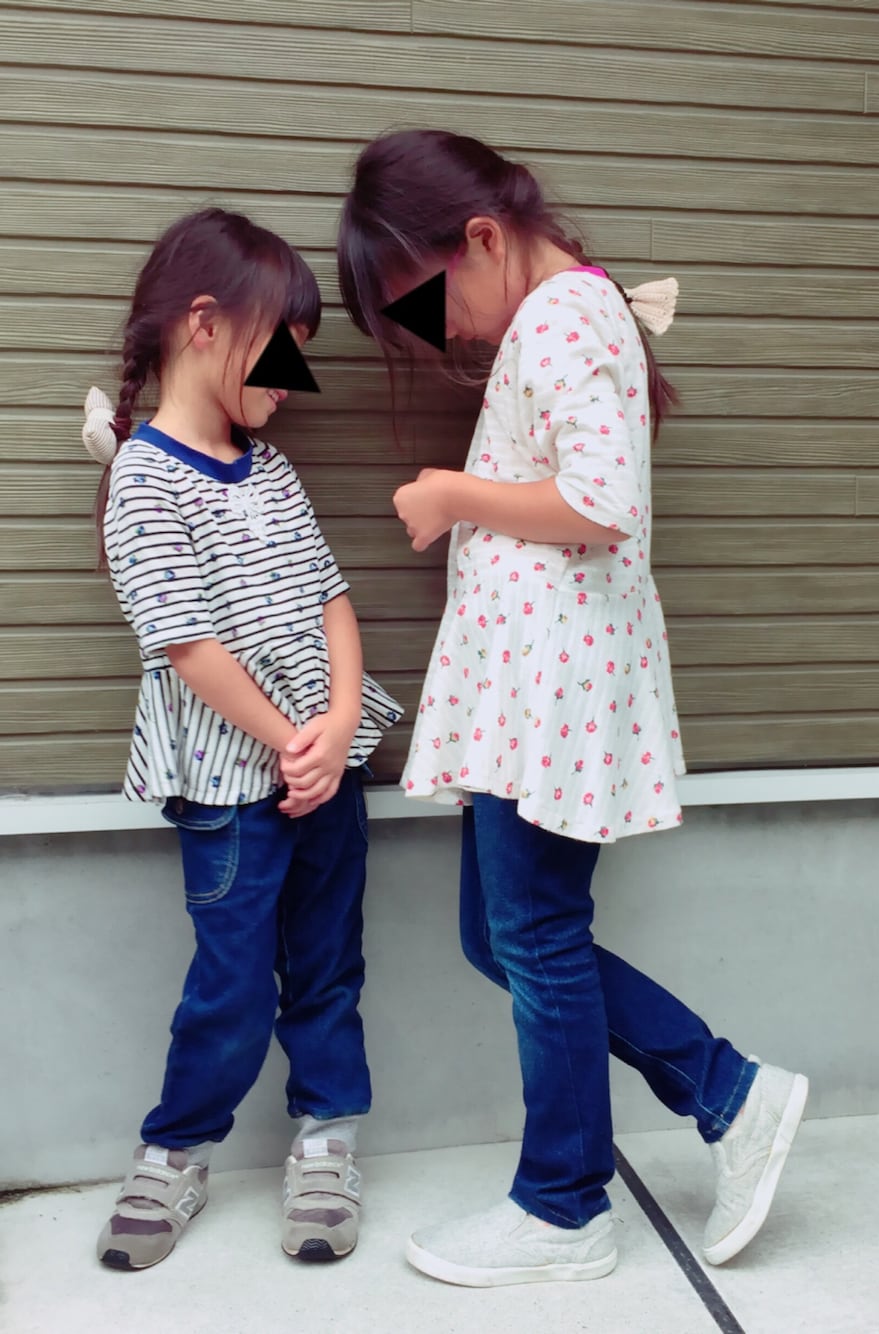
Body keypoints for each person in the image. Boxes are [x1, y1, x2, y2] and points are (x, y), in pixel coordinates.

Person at [337, 129, 808, 1288]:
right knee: (504, 934)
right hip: (534, 685)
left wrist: (452, 492)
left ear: (481, 239)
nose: (441, 334)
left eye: (428, 302)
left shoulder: (559, 315)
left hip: (550, 684)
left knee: (532, 934)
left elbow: (600, 500)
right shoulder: (570, 312)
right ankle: (727, 1092)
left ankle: (564, 1203)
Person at [81, 207, 400, 1270]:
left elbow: (332, 600)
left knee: (329, 964)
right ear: (206, 323)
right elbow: (187, 643)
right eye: (282, 356)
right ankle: (176, 1150)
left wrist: (338, 725)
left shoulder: (270, 471)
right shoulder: (143, 477)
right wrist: (291, 741)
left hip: (328, 774)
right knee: (231, 978)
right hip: (232, 789)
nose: (290, 388)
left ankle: (327, 1139)